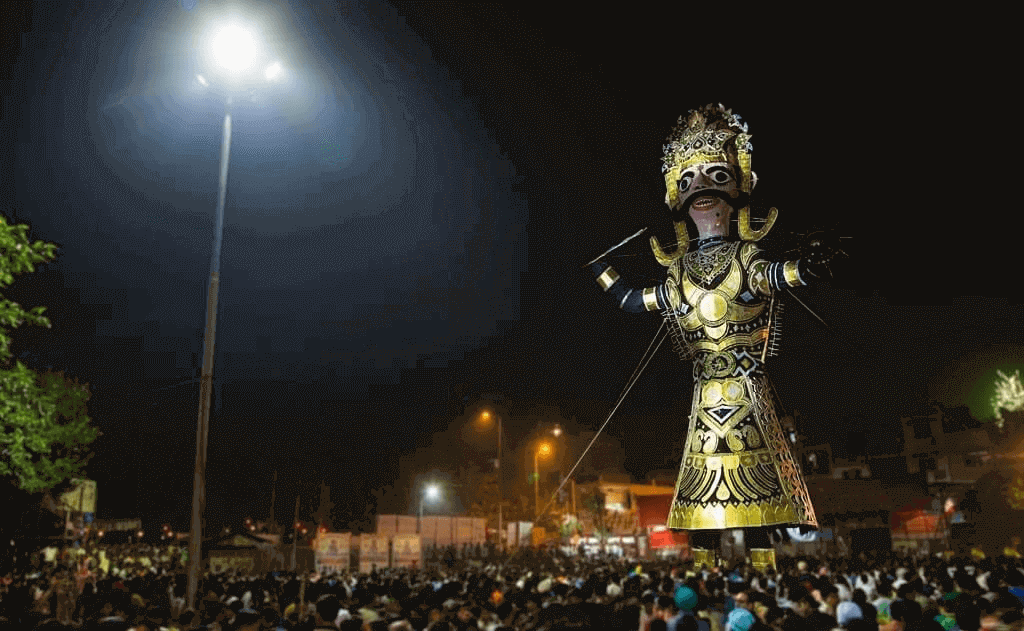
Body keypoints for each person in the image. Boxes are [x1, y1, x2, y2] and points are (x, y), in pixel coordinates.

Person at [589, 103, 836, 572]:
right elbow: (631, 301)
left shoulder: (747, 259)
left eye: (716, 175)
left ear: (740, 186)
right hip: (705, 394)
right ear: (674, 196)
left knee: (757, 488)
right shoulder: (679, 271)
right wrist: (601, 270)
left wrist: (812, 264)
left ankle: (761, 570)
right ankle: (708, 572)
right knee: (702, 492)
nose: (700, 188)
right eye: (687, 180)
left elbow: (782, 276)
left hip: (746, 388)